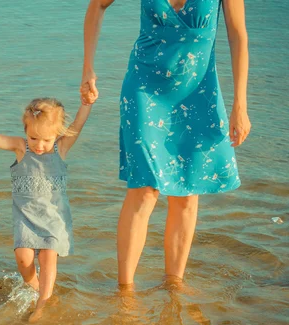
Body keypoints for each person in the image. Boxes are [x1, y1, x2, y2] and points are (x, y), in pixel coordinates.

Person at [81, 0, 251, 288]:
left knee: (186, 193)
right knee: (144, 189)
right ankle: (125, 293)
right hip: (144, 88)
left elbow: (237, 35)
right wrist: (88, 67)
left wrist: (240, 103)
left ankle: (174, 287)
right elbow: (98, 5)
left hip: (198, 91)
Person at [0, 98, 92, 321]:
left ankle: (43, 302)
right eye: (33, 138)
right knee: (23, 259)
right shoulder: (21, 148)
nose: (39, 145)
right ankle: (37, 288)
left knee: (49, 256)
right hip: (25, 217)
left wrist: (86, 104)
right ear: (25, 130)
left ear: (57, 134)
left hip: (54, 218)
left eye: (46, 140)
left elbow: (78, 124)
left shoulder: (61, 148)